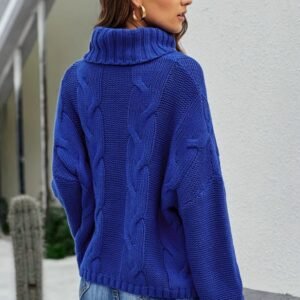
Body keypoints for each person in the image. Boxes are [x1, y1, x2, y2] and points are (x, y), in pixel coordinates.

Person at [51, 0, 245, 299]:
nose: (187, 0)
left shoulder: (75, 80)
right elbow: (202, 198)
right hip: (163, 289)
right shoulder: (180, 75)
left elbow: (68, 182)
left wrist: (99, 253)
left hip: (94, 287)